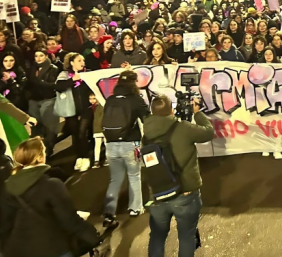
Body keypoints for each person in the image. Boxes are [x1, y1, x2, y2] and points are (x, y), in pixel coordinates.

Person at [0, 137, 101, 257]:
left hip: (19, 250)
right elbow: (71, 222)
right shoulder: (52, 185)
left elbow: (5, 223)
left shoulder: (8, 185)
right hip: (51, 249)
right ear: (39, 157)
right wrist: (94, 237)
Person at [143, 94, 215, 257]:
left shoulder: (146, 132)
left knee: (157, 237)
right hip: (185, 192)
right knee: (186, 237)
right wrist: (197, 113)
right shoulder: (183, 127)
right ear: (172, 110)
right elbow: (208, 132)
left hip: (157, 192)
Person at [102, 69, 150, 228]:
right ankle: (135, 208)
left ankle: (109, 210)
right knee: (134, 175)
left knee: (115, 179)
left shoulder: (110, 99)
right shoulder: (135, 99)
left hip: (110, 144)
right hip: (131, 143)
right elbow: (147, 118)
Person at [56, 53, 93, 172]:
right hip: (71, 110)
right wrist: (72, 80)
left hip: (86, 109)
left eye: (83, 60)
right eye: (79, 60)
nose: (82, 62)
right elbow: (58, 86)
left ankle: (86, 158)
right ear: (72, 62)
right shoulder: (64, 74)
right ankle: (79, 158)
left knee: (82, 133)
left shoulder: (88, 73)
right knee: (75, 134)